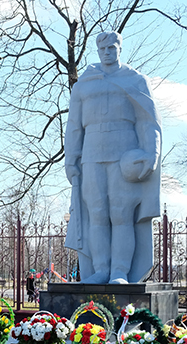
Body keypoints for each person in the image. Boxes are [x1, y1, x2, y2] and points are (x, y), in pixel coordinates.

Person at [64, 31, 161, 285]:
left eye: (112, 47)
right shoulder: (84, 84)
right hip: (92, 155)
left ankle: (119, 271)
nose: (107, 52)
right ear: (98, 51)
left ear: (119, 48)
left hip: (124, 153)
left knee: (121, 214)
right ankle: (101, 270)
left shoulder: (134, 80)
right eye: (103, 48)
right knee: (96, 213)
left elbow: (148, 120)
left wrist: (152, 153)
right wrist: (71, 159)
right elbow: (74, 126)